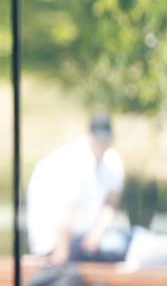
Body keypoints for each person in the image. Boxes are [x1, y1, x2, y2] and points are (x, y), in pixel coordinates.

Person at [26, 113, 130, 263]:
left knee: (136, 240)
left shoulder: (113, 161)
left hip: (87, 238)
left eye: (106, 138)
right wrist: (60, 258)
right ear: (90, 135)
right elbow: (65, 211)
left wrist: (98, 231)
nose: (102, 143)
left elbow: (111, 203)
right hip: (56, 244)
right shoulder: (74, 160)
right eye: (99, 138)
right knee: (115, 246)